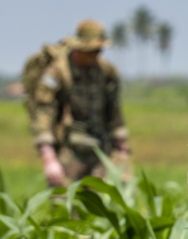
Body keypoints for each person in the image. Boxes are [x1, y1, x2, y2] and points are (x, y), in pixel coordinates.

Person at [29, 19, 130, 186]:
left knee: (105, 203)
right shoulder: (57, 72)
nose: (95, 55)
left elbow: (114, 112)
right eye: (90, 51)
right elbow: (43, 113)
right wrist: (48, 158)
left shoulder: (107, 72)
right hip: (69, 150)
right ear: (77, 47)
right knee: (65, 203)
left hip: (100, 148)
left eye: (98, 50)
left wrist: (122, 148)